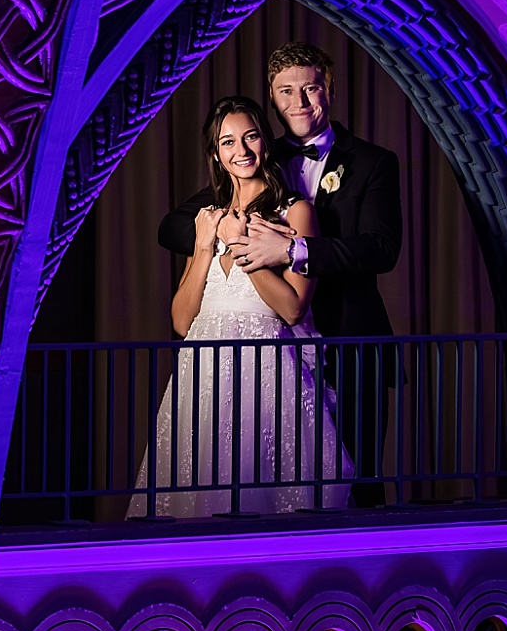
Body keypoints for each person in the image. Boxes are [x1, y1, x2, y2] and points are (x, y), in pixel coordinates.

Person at [158, 43, 402, 505]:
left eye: (310, 88)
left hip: (347, 338)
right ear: (272, 99)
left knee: (354, 481)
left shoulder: (373, 162)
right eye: (286, 91)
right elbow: (170, 226)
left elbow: (383, 249)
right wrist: (217, 235)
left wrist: (292, 248)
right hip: (249, 354)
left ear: (328, 89)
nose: (300, 102)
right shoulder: (246, 171)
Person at [130, 95, 350, 517]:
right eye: (228, 142)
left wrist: (239, 246)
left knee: (265, 496)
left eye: (250, 137)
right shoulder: (207, 217)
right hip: (204, 375)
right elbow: (180, 320)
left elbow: (292, 309)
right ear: (216, 153)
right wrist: (203, 243)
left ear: (265, 142)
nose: (241, 151)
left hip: (266, 374)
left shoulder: (296, 212)